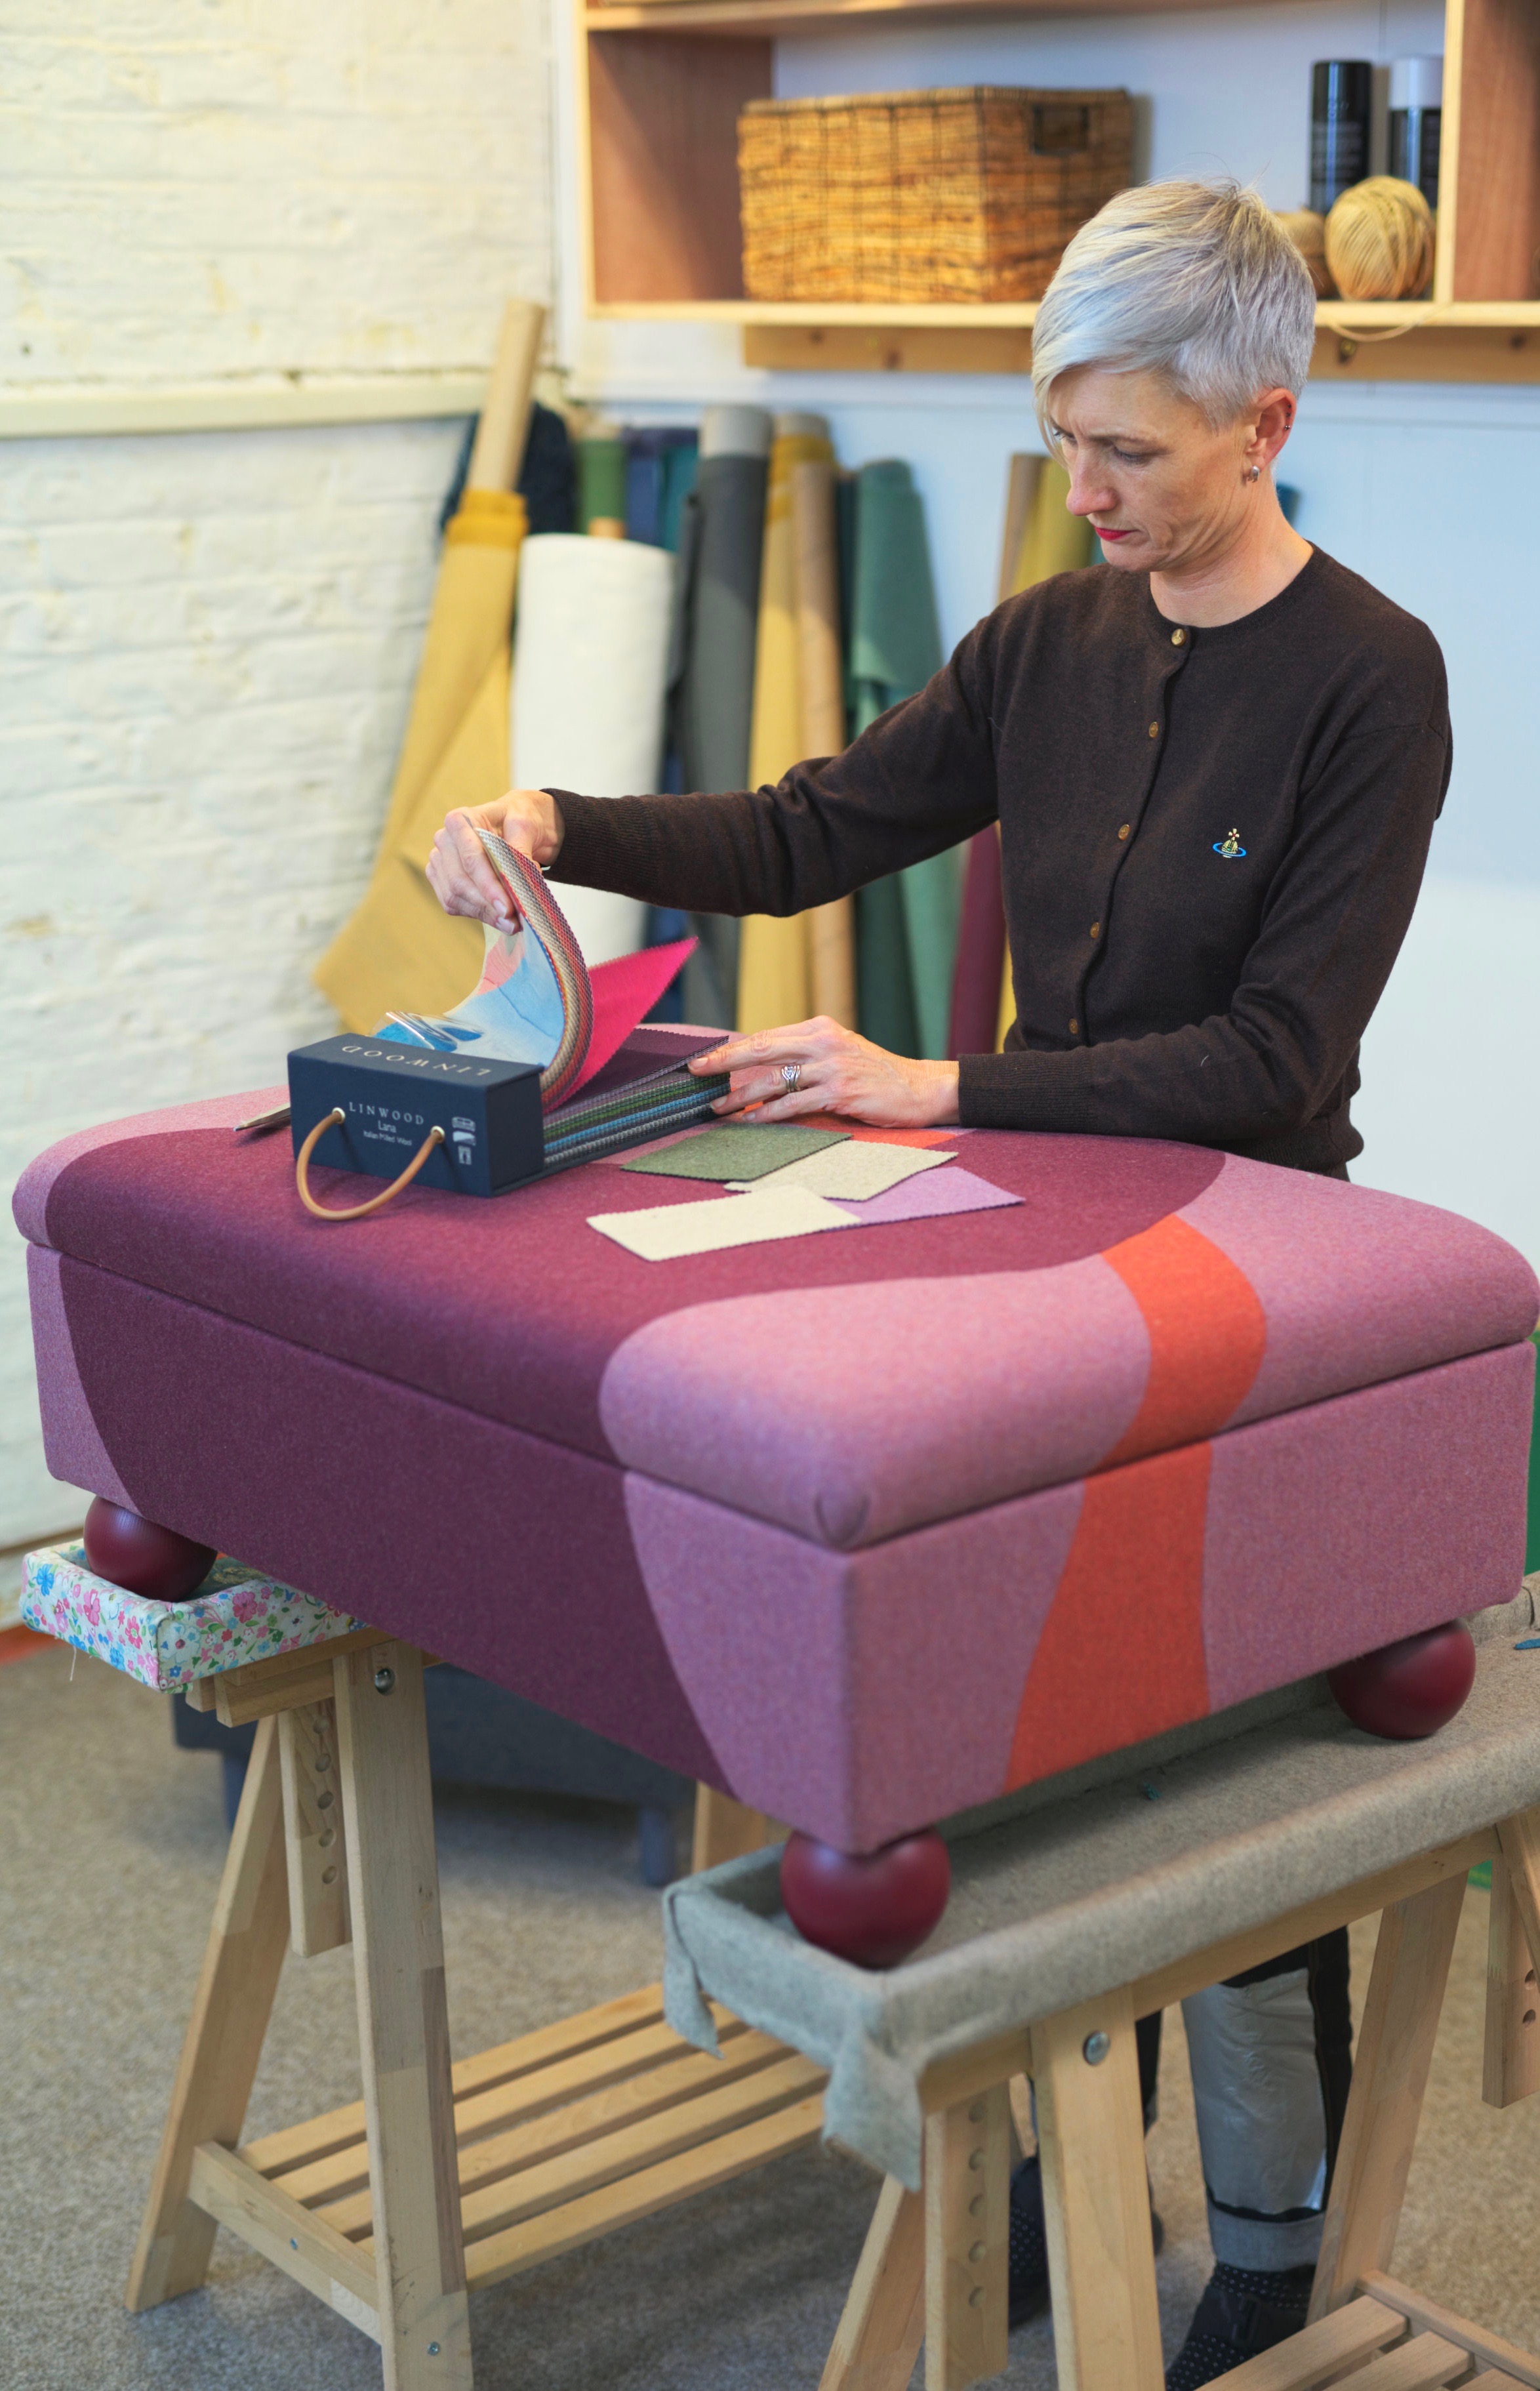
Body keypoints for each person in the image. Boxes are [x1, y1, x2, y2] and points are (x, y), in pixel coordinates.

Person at [427, 180, 1449, 2386]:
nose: (1081, 497)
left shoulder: (1371, 679)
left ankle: (1270, 2242)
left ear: (1262, 421)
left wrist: (935, 1075)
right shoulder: (1050, 640)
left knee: (1220, 1791)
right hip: (1026, 1250)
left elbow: (1278, 1062)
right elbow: (811, 826)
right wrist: (554, 821)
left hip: (1252, 1270)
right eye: (1063, 443)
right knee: (1008, 1753)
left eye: (1131, 459)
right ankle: (1010, 2173)